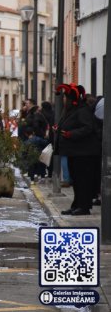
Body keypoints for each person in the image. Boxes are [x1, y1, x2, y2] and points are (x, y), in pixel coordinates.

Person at [54, 84, 99, 216]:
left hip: (84, 153)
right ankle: (77, 205)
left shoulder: (82, 110)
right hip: (74, 152)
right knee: (76, 180)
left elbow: (87, 128)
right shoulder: (72, 110)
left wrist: (70, 134)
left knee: (82, 181)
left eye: (65, 98)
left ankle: (84, 207)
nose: (63, 100)